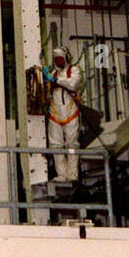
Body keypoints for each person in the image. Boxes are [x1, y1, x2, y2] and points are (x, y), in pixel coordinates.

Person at [44, 45, 82, 188]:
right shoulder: (53, 74)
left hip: (71, 112)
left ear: (66, 59)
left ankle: (72, 173)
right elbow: (47, 93)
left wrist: (55, 81)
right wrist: (46, 80)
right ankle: (61, 173)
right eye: (56, 59)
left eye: (60, 59)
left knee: (72, 144)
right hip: (55, 113)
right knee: (56, 144)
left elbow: (73, 84)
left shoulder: (74, 71)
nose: (58, 62)